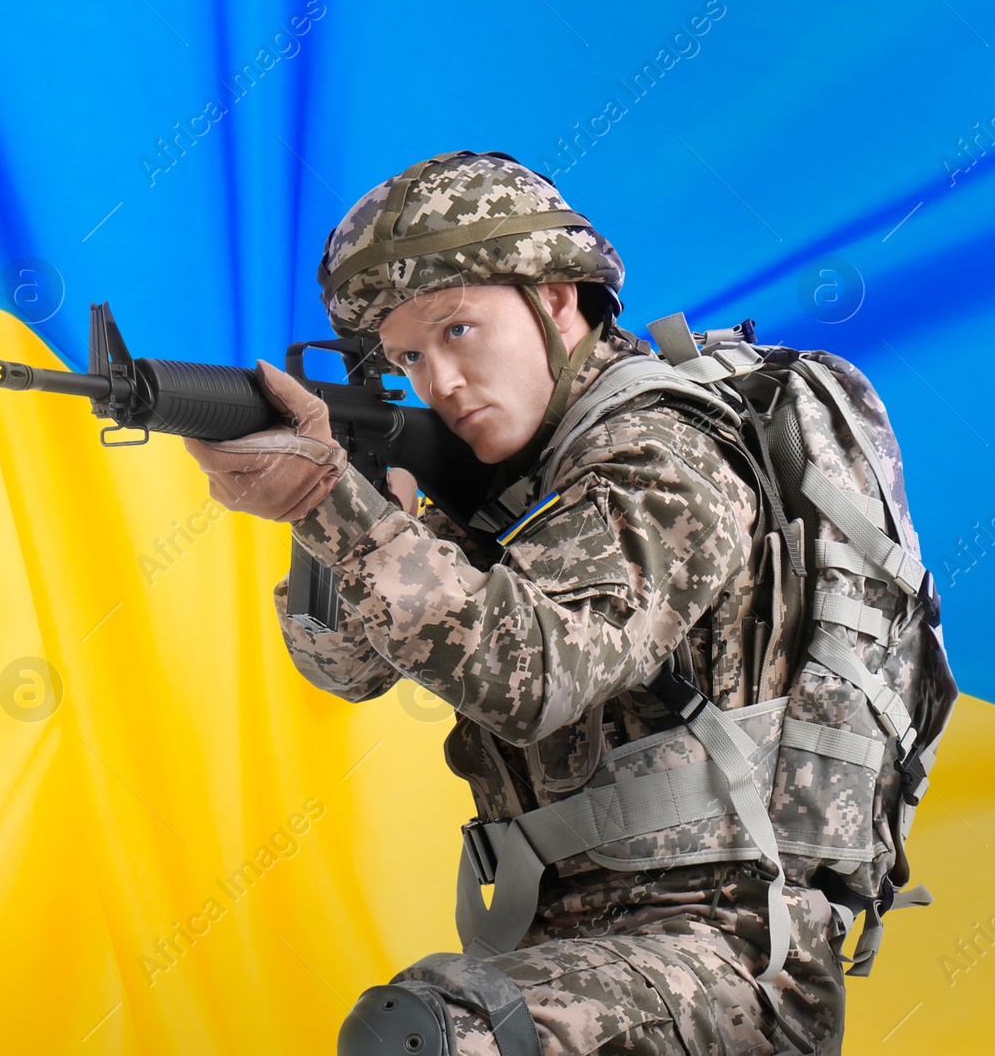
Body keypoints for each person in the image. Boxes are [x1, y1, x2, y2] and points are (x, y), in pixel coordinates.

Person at [183, 152, 846, 1054]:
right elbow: (344, 668)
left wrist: (330, 504)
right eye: (410, 355)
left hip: (727, 951)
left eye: (457, 330)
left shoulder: (663, 452)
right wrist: (353, 501)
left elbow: (535, 680)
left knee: (432, 1036)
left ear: (561, 297)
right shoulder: (519, 477)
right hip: (570, 946)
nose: (439, 382)